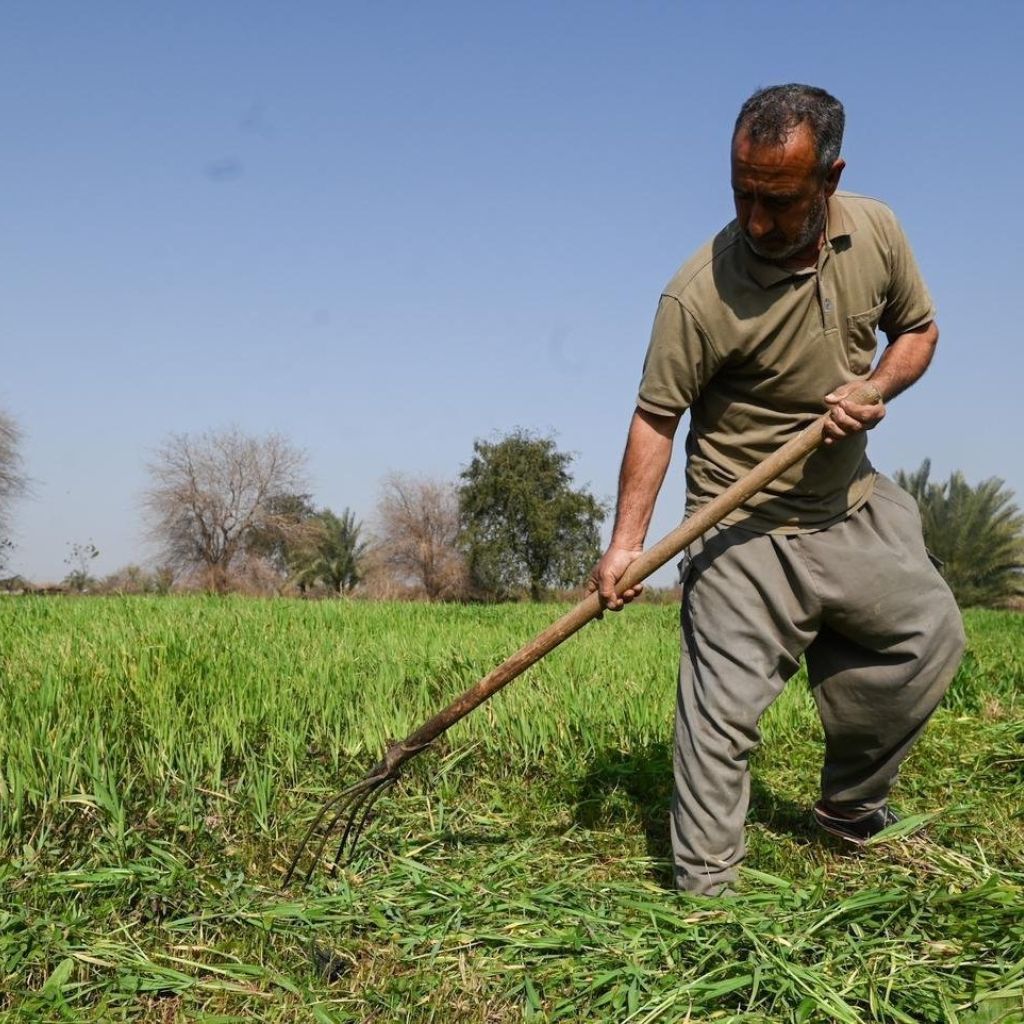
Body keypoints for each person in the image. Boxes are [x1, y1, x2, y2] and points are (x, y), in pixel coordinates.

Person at [588, 84, 965, 896]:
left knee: (929, 641)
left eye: (779, 199)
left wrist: (876, 387)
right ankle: (706, 903)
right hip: (741, 521)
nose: (756, 220)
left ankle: (849, 807)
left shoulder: (876, 232)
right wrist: (627, 545)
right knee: (718, 724)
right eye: (741, 194)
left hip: (848, 501)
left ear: (829, 179)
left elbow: (919, 331)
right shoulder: (699, 293)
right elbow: (656, 419)